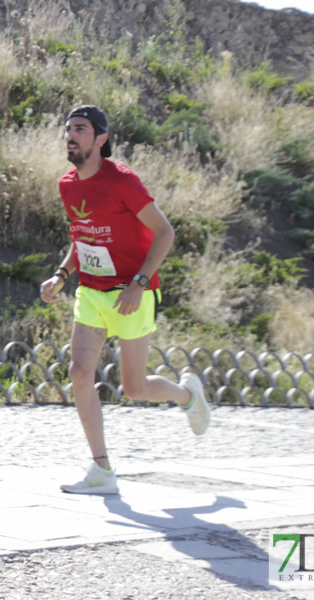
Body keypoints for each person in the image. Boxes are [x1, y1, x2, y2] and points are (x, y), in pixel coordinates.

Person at [40, 104, 211, 495]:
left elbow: (164, 233)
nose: (70, 135)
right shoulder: (67, 184)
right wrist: (62, 274)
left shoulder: (122, 182)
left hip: (133, 294)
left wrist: (138, 282)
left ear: (101, 138)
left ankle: (188, 395)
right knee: (80, 375)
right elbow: (82, 236)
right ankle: (102, 471)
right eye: (67, 128)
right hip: (92, 293)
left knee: (133, 389)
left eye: (80, 129)